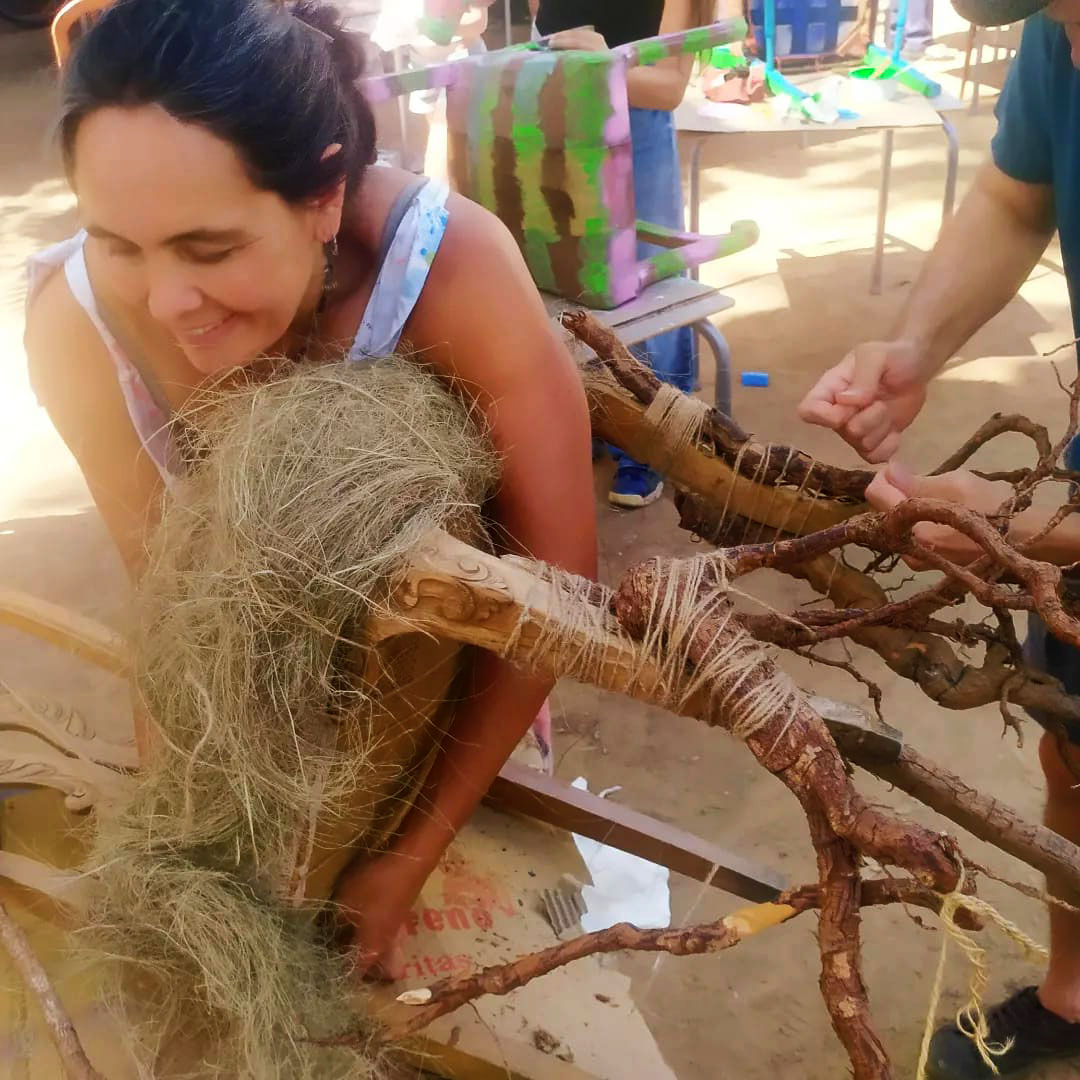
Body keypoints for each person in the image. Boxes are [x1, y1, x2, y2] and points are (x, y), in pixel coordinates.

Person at [24, 0, 595, 973]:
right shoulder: (79, 325)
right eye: (117, 244)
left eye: (210, 250)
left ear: (324, 197)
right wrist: (184, 840)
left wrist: (409, 857)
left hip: (462, 690)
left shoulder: (447, 272)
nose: (166, 301)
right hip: (264, 720)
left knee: (498, 972)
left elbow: (556, 594)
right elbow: (173, 607)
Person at [799, 0, 1080, 1074]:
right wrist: (915, 347)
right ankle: (1073, 998)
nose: (1066, 41)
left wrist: (1017, 527)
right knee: (1072, 744)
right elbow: (1016, 194)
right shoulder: (1054, 35)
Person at [533, 0, 717, 508]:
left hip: (634, 127)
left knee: (646, 286)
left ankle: (653, 440)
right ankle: (597, 415)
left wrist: (605, 63)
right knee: (568, 277)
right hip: (557, 120)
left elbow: (669, 87)